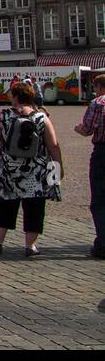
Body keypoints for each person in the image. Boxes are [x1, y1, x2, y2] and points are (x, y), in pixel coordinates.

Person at [0, 81, 63, 256]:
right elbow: (53, 145)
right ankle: (30, 246)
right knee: (34, 206)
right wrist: (58, 165)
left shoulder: (3, 116)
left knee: (5, 203)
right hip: (36, 170)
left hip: (9, 169)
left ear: (16, 97)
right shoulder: (41, 117)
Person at [72, 74, 105, 258]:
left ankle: (103, 243)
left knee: (100, 198)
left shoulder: (98, 103)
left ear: (99, 87)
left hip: (102, 152)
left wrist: (78, 129)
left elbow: (87, 130)